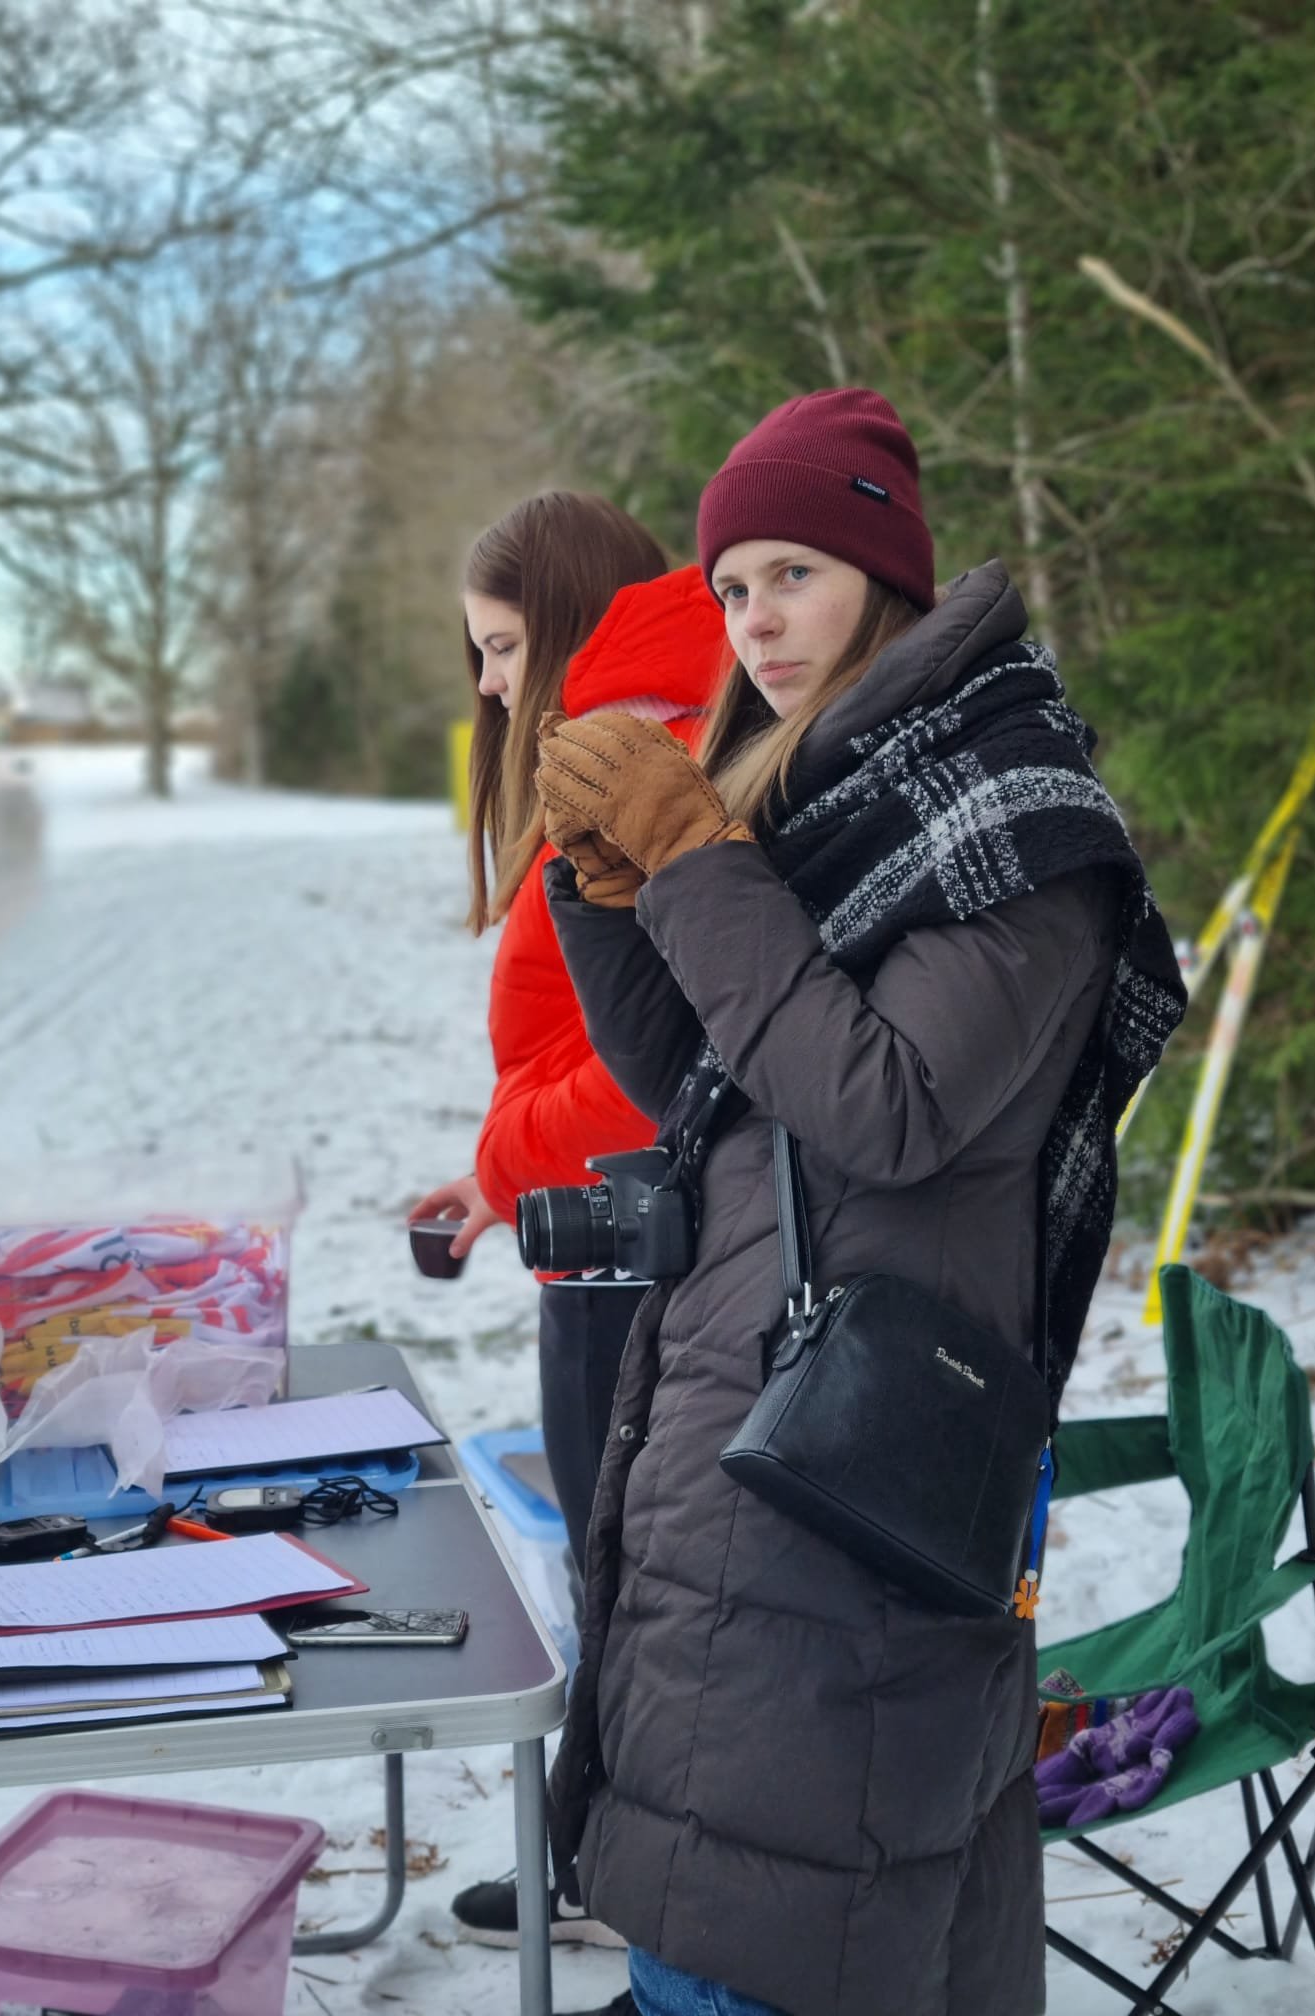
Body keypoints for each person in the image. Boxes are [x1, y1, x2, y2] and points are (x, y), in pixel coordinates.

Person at [533, 389, 1186, 2016]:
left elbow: (883, 1105)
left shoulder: (1008, 818)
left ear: (886, 576)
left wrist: (697, 862)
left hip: (851, 1475)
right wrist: (612, 894)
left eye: (794, 574)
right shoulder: (833, 803)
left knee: (772, 1928)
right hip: (742, 1436)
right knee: (727, 1910)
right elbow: (712, 1078)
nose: (755, 621)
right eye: (731, 587)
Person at [406, 491, 724, 1974]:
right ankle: (608, 1862)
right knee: (623, 1585)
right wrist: (500, 1185)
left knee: (639, 1591)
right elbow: (587, 1032)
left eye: (500, 646)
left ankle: (648, 1906)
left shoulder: (643, 753)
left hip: (642, 1245)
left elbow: (669, 1057)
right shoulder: (623, 734)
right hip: (597, 1222)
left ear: (573, 622)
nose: (485, 684)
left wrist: (511, 1152)